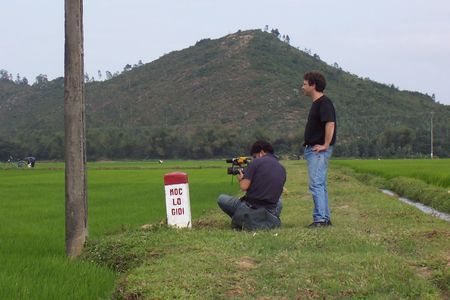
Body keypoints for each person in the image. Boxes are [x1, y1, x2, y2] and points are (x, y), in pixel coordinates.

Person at [217, 140, 286, 230]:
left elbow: (244, 187)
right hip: (271, 209)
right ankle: (268, 218)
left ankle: (244, 219)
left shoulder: (255, 163)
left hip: (252, 207)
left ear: (261, 152)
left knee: (221, 198)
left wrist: (241, 179)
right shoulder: (282, 168)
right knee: (279, 200)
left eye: (254, 156)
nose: (254, 159)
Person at [302, 71, 336, 228]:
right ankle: (325, 218)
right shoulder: (317, 103)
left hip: (318, 150)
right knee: (320, 184)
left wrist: (325, 144)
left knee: (316, 184)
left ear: (313, 85)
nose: (302, 87)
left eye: (304, 84)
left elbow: (330, 123)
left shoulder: (324, 103)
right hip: (313, 150)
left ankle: (320, 219)